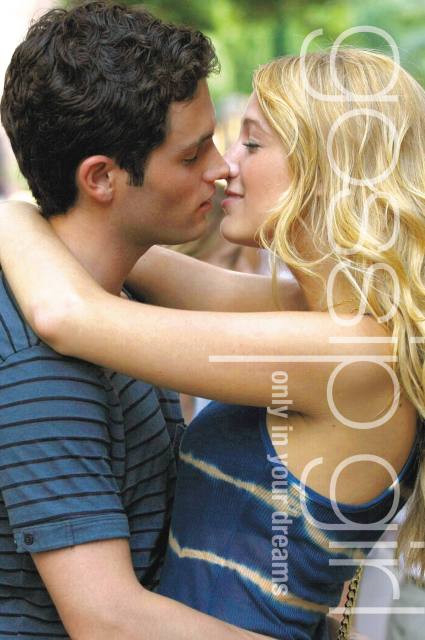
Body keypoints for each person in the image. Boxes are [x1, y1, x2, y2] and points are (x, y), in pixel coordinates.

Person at [1, 48, 424, 639]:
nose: (227, 166)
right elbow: (119, 248)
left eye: (250, 143)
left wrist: (10, 214)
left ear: (327, 167)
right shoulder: (327, 316)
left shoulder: (349, 351)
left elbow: (67, 313)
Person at [0, 2, 290, 639]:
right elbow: (108, 619)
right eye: (191, 156)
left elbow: (283, 303)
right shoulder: (37, 362)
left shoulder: (125, 280)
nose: (221, 168)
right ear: (102, 178)